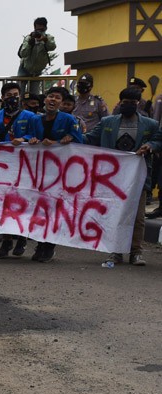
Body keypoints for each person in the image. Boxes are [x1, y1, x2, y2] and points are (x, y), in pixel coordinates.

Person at [84, 87, 158, 266]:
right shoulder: (107, 122)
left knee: (138, 218)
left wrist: (150, 145)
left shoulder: (150, 124)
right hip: (112, 179)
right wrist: (69, 138)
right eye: (125, 103)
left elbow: (158, 140)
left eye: (133, 103)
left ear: (138, 104)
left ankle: (136, 252)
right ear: (120, 103)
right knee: (114, 215)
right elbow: (89, 139)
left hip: (137, 178)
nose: (129, 106)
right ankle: (115, 252)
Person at [26, 86, 83, 263]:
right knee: (40, 209)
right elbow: (27, 137)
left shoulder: (69, 120)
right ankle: (40, 243)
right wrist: (31, 140)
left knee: (54, 209)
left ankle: (49, 246)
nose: (53, 100)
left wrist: (64, 140)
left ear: (61, 103)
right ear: (45, 99)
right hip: (39, 172)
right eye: (50, 96)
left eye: (57, 98)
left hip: (60, 173)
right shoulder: (35, 119)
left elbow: (79, 142)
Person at [0, 82, 36, 258]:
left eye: (15, 95)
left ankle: (22, 237)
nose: (12, 98)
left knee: (23, 201)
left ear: (20, 96)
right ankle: (7, 239)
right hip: (2, 166)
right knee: (4, 202)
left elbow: (35, 135)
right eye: (9, 95)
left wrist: (24, 139)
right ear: (2, 98)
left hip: (25, 166)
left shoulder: (30, 116)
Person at [17, 17, 57, 94]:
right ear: (34, 28)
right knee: (20, 92)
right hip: (24, 68)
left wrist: (45, 40)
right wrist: (30, 43)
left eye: (41, 30)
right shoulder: (29, 38)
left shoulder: (48, 38)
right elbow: (23, 54)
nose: (39, 32)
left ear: (46, 28)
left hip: (37, 71)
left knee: (34, 95)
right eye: (37, 30)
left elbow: (52, 47)